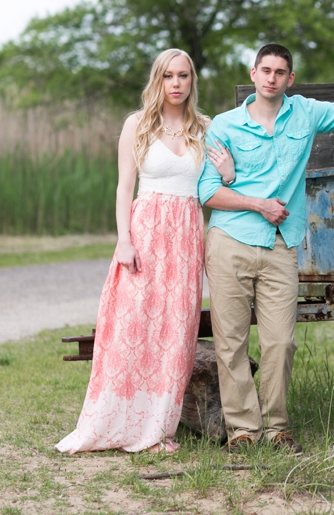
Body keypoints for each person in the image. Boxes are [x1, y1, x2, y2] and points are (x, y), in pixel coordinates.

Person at [57, 49, 235, 454]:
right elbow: (123, 187)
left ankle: (157, 430)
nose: (176, 83)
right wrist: (124, 239)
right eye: (168, 75)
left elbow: (215, 183)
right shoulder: (136, 124)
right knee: (134, 328)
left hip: (187, 235)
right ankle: (116, 422)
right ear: (158, 80)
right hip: (146, 230)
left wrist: (228, 174)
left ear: (192, 81)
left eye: (183, 76)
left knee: (175, 333)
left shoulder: (203, 128)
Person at [199, 43, 334, 455]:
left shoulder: (306, 112)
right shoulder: (225, 125)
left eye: (280, 72)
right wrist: (257, 202)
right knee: (231, 342)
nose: (272, 78)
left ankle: (277, 428)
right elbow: (207, 191)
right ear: (254, 74)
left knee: (281, 342)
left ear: (289, 79)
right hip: (231, 241)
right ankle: (243, 431)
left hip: (280, 245)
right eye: (265, 70)